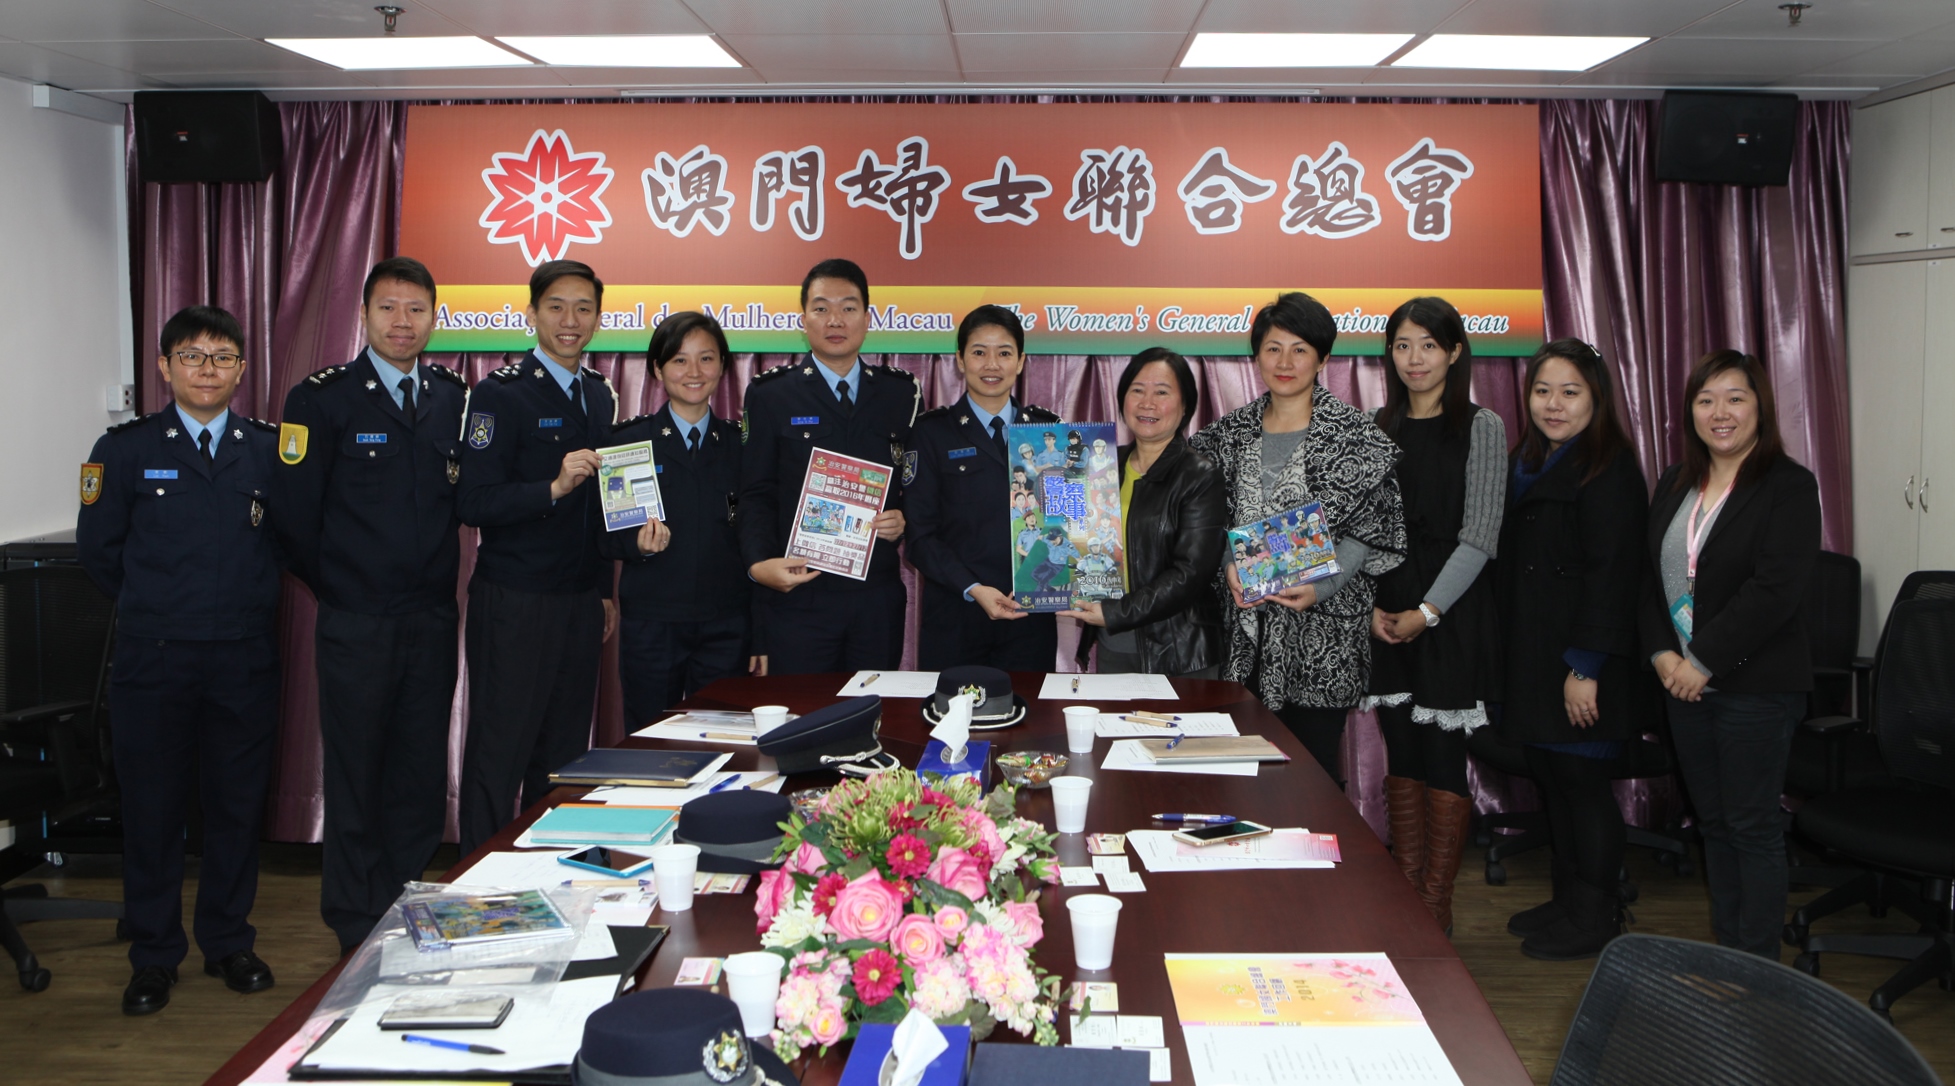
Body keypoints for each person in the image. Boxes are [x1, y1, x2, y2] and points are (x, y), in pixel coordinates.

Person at [76, 305, 282, 1014]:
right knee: (153, 810)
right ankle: (154, 955)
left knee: (235, 807)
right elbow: (100, 554)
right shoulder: (123, 449)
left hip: (243, 659)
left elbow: (288, 545)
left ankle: (227, 941)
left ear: (242, 369)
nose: (207, 369)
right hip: (154, 660)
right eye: (192, 356)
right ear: (164, 367)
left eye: (222, 357)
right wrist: (163, 607)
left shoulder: (267, 450)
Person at [271, 257, 469, 955]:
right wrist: (342, 587)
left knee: (418, 770)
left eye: (416, 309)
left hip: (431, 618)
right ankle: (355, 922)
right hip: (356, 619)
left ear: (434, 318)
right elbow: (291, 516)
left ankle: (403, 900)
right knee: (357, 770)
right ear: (363, 315)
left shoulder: (451, 397)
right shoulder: (320, 399)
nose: (402, 322)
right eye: (388, 308)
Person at [1641, 350, 1820, 960]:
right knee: (1713, 824)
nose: (1720, 412)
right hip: (1682, 685)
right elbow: (1648, 581)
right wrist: (1663, 656)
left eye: (1735, 398)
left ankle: (1758, 966)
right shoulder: (1675, 482)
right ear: (1691, 411)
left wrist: (1702, 661)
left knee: (1751, 827)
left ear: (1759, 408)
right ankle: (1730, 953)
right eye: (1706, 399)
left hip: (1755, 688)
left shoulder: (1788, 486)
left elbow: (1775, 591)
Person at [1190, 293, 1405, 788]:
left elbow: (1368, 530)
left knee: (1314, 775)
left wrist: (1320, 587)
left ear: (1323, 358)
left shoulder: (1356, 437)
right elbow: (1208, 522)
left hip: (1324, 631)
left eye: (1300, 349)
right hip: (1245, 629)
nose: (1284, 362)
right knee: (1246, 773)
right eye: (1273, 348)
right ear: (1256, 356)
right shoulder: (1225, 437)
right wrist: (1227, 565)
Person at [456, 259, 619, 854]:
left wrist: (604, 591)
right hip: (515, 601)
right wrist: (551, 488)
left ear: (598, 318)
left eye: (583, 308)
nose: (570, 320)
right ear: (532, 313)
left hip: (578, 603)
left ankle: (548, 872)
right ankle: (478, 875)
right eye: (556, 306)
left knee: (563, 760)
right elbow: (473, 501)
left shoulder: (598, 394)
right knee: (499, 753)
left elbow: (601, 508)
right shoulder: (499, 394)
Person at [1497, 338, 1648, 961]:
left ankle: (1598, 913)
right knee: (1554, 780)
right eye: (1542, 391)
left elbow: (1614, 576)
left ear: (1596, 398)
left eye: (1570, 392)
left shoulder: (1609, 468)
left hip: (1586, 661)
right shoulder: (1530, 460)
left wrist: (1586, 666)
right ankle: (1568, 899)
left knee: (1582, 784)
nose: (1553, 404)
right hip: (1537, 653)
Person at [1362, 297, 1506, 934]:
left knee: (1444, 758)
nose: (1414, 358)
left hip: (1450, 614)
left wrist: (1427, 610)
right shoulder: (1376, 427)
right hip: (1385, 616)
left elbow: (1479, 536)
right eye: (1402, 345)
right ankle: (1405, 896)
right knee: (1402, 755)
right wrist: (1371, 607)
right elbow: (1359, 530)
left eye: (1427, 345)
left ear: (1454, 352)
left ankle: (1435, 908)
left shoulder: (1482, 426)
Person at [738, 258, 917, 674]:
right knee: (803, 709)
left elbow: (916, 484)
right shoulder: (771, 395)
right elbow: (755, 493)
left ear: (867, 319)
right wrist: (758, 565)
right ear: (803, 320)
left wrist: (904, 518)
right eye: (821, 308)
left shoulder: (900, 394)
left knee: (875, 708)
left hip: (876, 596)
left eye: (848, 307)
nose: (835, 320)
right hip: (800, 593)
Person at [599, 311, 754, 728]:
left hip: (727, 624)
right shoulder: (627, 442)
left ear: (722, 366)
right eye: (680, 360)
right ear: (657, 369)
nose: (694, 372)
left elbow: (758, 536)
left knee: (723, 740)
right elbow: (602, 535)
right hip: (653, 621)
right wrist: (635, 544)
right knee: (650, 740)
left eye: (706, 358)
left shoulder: (742, 447)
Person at [905, 304, 1062, 671]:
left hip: (1031, 617)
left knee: (1030, 709)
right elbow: (920, 537)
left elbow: (1065, 525)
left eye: (1004, 353)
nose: (992, 364)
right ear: (960, 360)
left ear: (1021, 362)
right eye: (979, 352)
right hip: (956, 617)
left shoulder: (1047, 433)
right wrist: (973, 588)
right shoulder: (932, 433)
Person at [1060, 348, 1227, 676]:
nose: (1147, 403)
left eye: (1161, 392)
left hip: (1178, 650)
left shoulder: (1200, 475)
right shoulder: (1100, 466)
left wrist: (1116, 612)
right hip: (1112, 642)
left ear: (1185, 405)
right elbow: (1073, 538)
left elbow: (1191, 573)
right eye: (1137, 390)